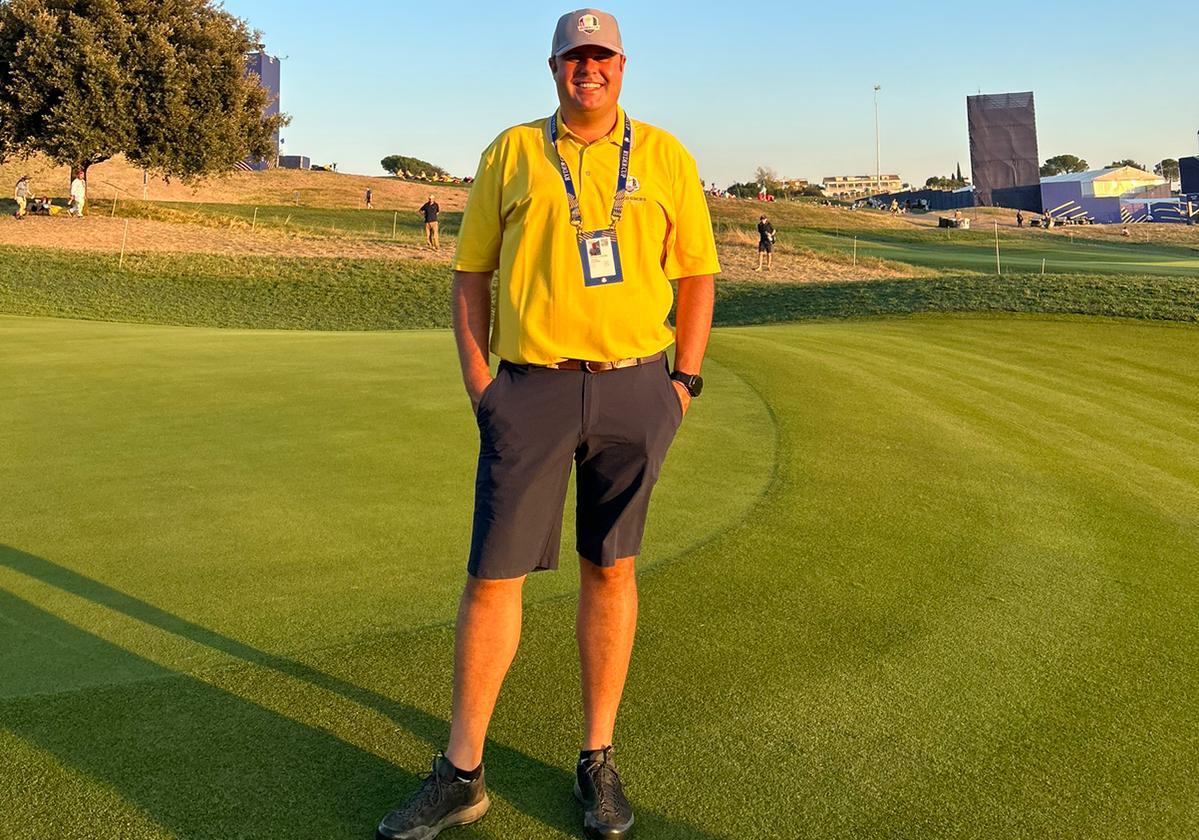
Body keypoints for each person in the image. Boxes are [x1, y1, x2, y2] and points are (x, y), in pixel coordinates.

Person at [375, 8, 719, 840]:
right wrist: (481, 385)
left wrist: (682, 383)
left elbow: (697, 274)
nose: (587, 70)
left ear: (622, 66)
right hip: (529, 388)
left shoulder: (667, 155)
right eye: (574, 57)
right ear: (554, 67)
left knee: (611, 569)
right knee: (493, 577)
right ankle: (461, 772)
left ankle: (596, 759)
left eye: (600, 56)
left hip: (636, 388)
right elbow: (470, 275)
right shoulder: (513, 151)